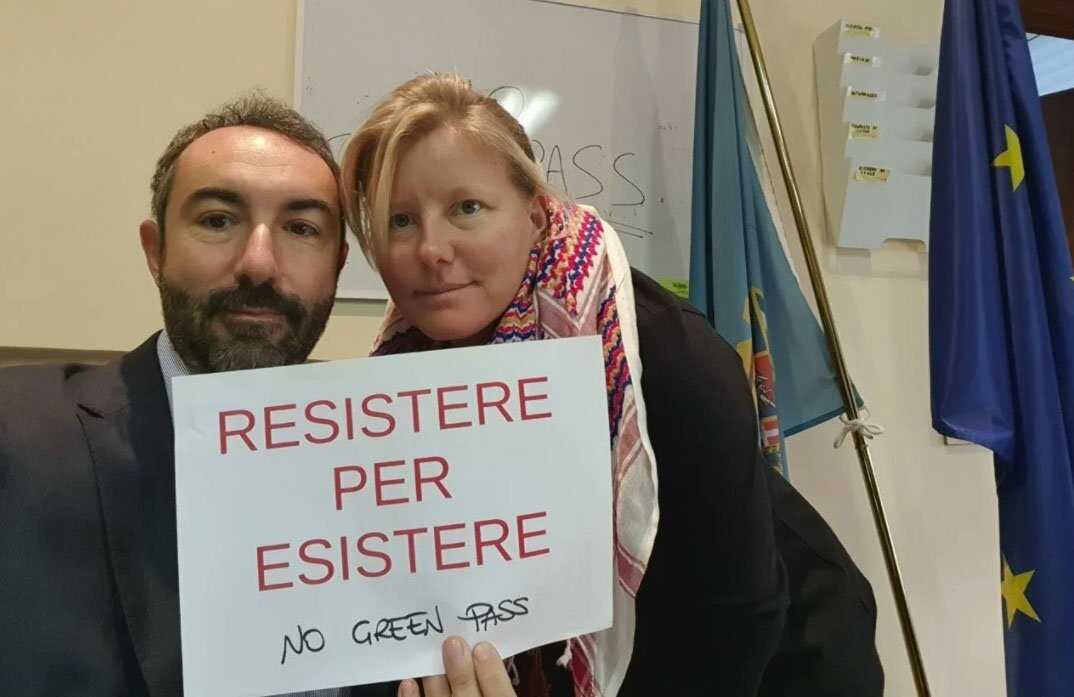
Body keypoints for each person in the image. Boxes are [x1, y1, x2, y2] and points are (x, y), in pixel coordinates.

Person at [0, 93, 514, 697]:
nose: (260, 263)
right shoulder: (19, 437)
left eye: (301, 229)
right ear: (155, 250)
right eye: (218, 220)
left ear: (337, 265)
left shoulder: (410, 475)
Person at [342, 74, 790, 697]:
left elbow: (734, 619)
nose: (432, 250)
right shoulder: (404, 370)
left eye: (467, 208)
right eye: (399, 221)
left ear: (533, 211)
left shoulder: (667, 356)